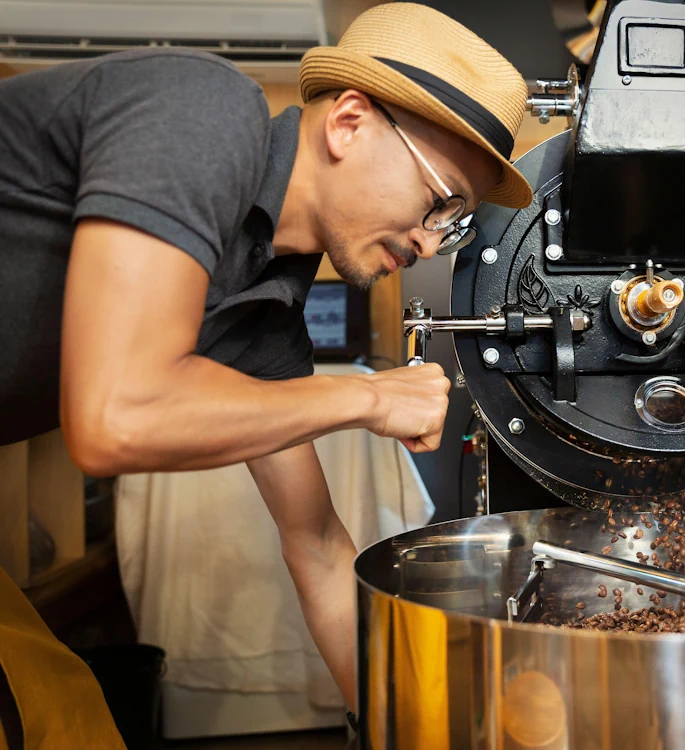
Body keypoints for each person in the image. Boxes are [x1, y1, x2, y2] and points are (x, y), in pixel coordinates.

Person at [0, 1, 532, 740]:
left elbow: (317, 546)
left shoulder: (260, 310)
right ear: (349, 122)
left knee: (70, 719)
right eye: (439, 200)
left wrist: (400, 731)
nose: (429, 241)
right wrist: (366, 398)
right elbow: (114, 419)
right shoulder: (202, 111)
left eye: (453, 222)